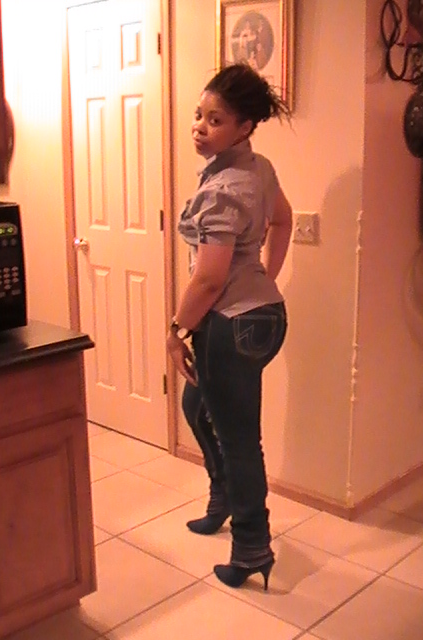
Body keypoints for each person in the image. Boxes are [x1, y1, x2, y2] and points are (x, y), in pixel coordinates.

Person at [166, 63, 293, 590]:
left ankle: (251, 547)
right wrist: (265, 278)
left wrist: (175, 330)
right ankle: (222, 495)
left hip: (229, 326)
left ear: (244, 127)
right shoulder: (258, 168)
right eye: (199, 115)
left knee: (240, 439)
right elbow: (282, 219)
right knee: (196, 404)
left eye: (215, 120)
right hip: (267, 317)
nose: (200, 127)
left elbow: (209, 280)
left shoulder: (223, 189)